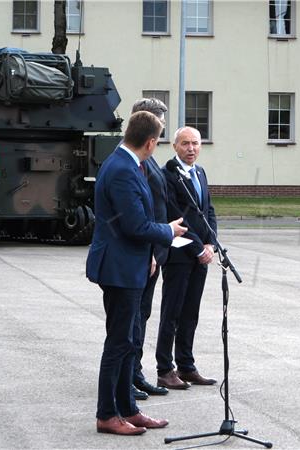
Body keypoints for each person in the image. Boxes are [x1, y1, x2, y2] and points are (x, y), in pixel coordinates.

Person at [86, 111, 186, 435]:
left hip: (130, 265)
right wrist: (168, 231)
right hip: (119, 268)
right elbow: (135, 225)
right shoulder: (122, 170)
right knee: (118, 342)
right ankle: (106, 414)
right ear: (151, 142)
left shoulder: (129, 163)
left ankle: (127, 408)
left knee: (128, 340)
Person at [156, 126, 218, 388]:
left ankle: (186, 365)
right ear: (175, 146)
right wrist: (197, 248)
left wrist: (210, 243)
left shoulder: (200, 172)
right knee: (172, 312)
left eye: (195, 143)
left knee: (191, 312)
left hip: (201, 254)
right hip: (180, 253)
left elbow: (208, 210)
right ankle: (164, 368)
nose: (191, 148)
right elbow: (173, 214)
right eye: (185, 144)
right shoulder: (167, 174)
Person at [128, 98, 171, 401]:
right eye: (160, 124)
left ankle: (135, 373)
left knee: (142, 315)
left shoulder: (149, 159)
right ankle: (127, 376)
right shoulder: (137, 161)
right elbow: (139, 214)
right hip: (145, 255)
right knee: (131, 318)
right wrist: (151, 252)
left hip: (154, 252)